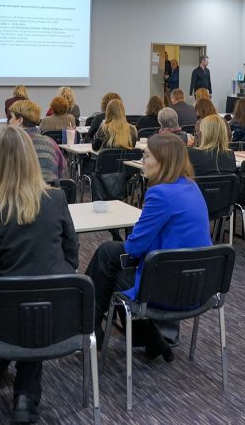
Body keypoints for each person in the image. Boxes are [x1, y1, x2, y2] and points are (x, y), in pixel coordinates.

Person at [0, 125, 78, 422]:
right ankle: (24, 397)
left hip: (10, 312)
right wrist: (59, 279)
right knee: (35, 299)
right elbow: (72, 251)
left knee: (22, 300)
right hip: (62, 308)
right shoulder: (56, 198)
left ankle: (6, 370)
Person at [85, 133, 211, 360]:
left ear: (163, 160)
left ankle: (90, 328)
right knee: (110, 254)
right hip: (198, 284)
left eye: (146, 156)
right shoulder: (191, 186)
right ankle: (149, 339)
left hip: (167, 287)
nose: (142, 161)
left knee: (110, 263)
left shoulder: (160, 194)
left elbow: (134, 247)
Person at [8, 100, 69, 184]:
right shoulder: (51, 143)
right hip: (50, 194)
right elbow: (64, 175)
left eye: (11, 117)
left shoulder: (10, 144)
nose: (9, 122)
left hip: (21, 195)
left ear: (20, 120)